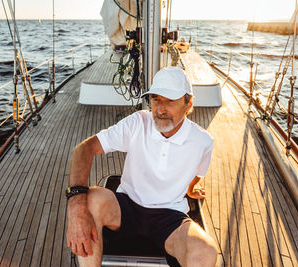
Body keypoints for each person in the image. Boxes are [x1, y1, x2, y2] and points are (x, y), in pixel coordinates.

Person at [66, 67, 217, 266]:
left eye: (170, 101)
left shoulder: (203, 141)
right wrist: (75, 208)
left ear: (188, 105)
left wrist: (191, 188)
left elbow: (197, 174)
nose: (161, 109)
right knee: (91, 199)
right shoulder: (138, 123)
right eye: (156, 99)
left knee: (206, 252)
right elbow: (85, 148)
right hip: (126, 206)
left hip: (170, 217)